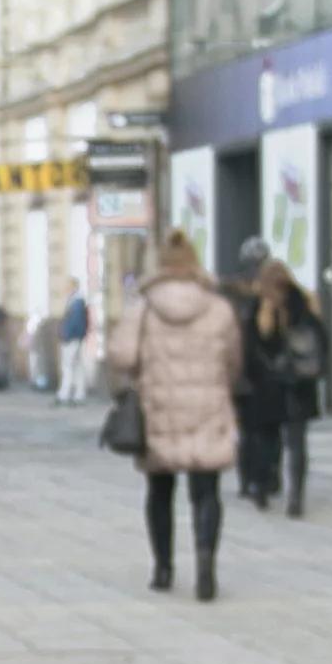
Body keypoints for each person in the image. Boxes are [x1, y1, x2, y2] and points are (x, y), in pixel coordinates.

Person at [106, 232, 243, 601]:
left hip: (160, 408)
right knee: (206, 490)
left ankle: (164, 568)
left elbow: (121, 356)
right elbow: (233, 361)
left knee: (160, 490)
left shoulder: (145, 309)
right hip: (207, 407)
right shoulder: (219, 308)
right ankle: (205, 565)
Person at [252, 260, 329, 517]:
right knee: (297, 443)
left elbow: (261, 337)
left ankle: (264, 487)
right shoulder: (305, 300)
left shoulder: (263, 302)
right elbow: (321, 338)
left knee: (267, 438)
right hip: (301, 382)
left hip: (273, 383)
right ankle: (295, 494)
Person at [224, 237, 283, 504]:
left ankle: (251, 479)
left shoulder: (234, 292)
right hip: (268, 373)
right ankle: (267, 477)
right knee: (269, 430)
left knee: (250, 430)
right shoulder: (276, 292)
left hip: (245, 372)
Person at [55, 280, 92, 406]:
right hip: (76, 337)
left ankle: (64, 393)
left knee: (68, 366)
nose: (65, 289)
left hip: (71, 338)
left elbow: (74, 322)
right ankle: (79, 393)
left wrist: (66, 334)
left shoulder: (76, 302)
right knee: (77, 366)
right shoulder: (77, 301)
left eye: (67, 287)